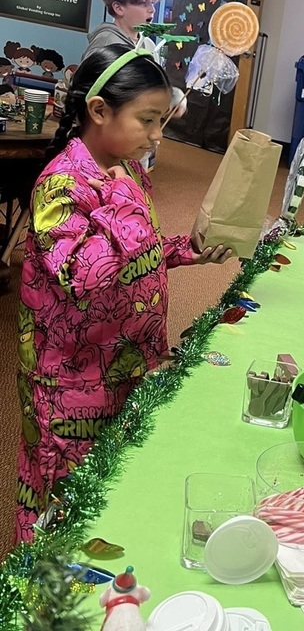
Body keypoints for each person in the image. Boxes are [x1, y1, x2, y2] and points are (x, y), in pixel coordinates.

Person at [15, 45, 232, 543]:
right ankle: (42, 604)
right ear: (98, 110)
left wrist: (186, 250)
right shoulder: (62, 186)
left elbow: (136, 246)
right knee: (63, 498)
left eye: (163, 120)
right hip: (69, 385)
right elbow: (85, 276)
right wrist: (125, 202)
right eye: (148, 120)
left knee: (109, 482)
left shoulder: (125, 168)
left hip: (126, 362)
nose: (158, 135)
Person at [81, 0, 163, 62]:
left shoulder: (149, 45)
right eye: (143, 3)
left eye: (152, 3)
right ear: (118, 8)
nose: (152, 10)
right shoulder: (105, 44)